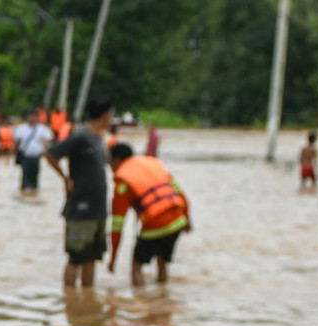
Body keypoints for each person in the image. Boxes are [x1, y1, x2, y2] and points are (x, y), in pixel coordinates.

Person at [46, 93, 113, 288]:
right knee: (76, 258)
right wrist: (65, 178)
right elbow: (51, 154)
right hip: (80, 208)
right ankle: (69, 300)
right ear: (104, 115)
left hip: (98, 209)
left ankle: (86, 302)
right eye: (110, 114)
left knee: (92, 257)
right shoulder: (80, 136)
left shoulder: (99, 138)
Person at [107, 142, 190, 286]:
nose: (109, 166)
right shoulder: (153, 164)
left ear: (117, 161)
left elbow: (117, 225)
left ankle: (141, 302)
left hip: (155, 224)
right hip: (177, 219)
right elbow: (180, 193)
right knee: (162, 262)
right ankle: (162, 298)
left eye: (109, 161)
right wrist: (187, 219)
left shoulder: (122, 183)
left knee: (136, 266)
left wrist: (113, 258)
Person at [14, 109, 54, 193]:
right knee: (25, 174)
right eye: (30, 116)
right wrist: (13, 154)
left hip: (36, 156)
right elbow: (16, 141)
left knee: (35, 175)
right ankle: (24, 190)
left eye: (34, 117)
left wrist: (45, 149)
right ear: (27, 117)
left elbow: (49, 138)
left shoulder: (42, 129)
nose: (32, 118)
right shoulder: (22, 128)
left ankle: (34, 191)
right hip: (25, 156)